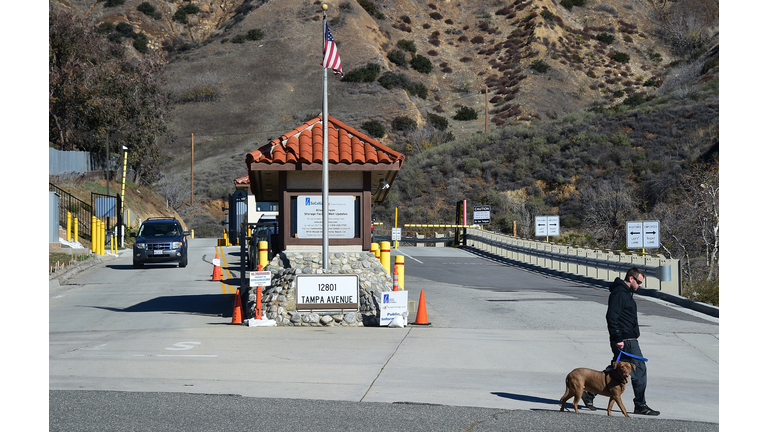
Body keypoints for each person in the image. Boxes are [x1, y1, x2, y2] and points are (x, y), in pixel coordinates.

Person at [582, 267, 660, 416]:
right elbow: (612, 316)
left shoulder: (624, 293)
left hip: (627, 338)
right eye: (639, 282)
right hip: (625, 339)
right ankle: (640, 405)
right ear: (631, 279)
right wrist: (618, 337)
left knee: (616, 368)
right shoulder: (620, 293)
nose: (640, 285)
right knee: (639, 369)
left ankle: (590, 393)